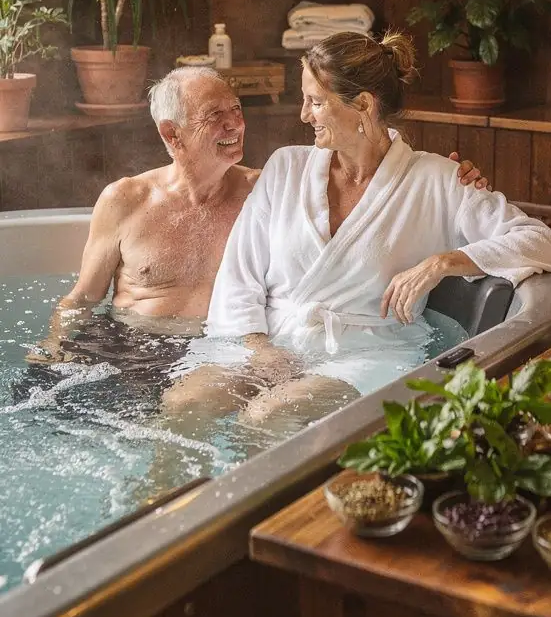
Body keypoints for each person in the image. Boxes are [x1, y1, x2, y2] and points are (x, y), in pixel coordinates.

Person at [33, 65, 490, 399]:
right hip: (129, 345)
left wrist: (452, 181)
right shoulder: (126, 200)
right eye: (215, 116)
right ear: (172, 135)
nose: (236, 124)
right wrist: (52, 349)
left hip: (212, 346)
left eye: (237, 109)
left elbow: (371, 204)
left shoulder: (267, 192)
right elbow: (82, 299)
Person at [205, 30, 551, 407]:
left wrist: (443, 262)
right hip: (271, 341)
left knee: (266, 413)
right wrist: (260, 350)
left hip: (365, 355)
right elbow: (237, 277)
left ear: (362, 104)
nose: (304, 114)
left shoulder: (437, 180)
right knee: (187, 404)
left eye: (316, 102)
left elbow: (540, 242)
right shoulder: (286, 167)